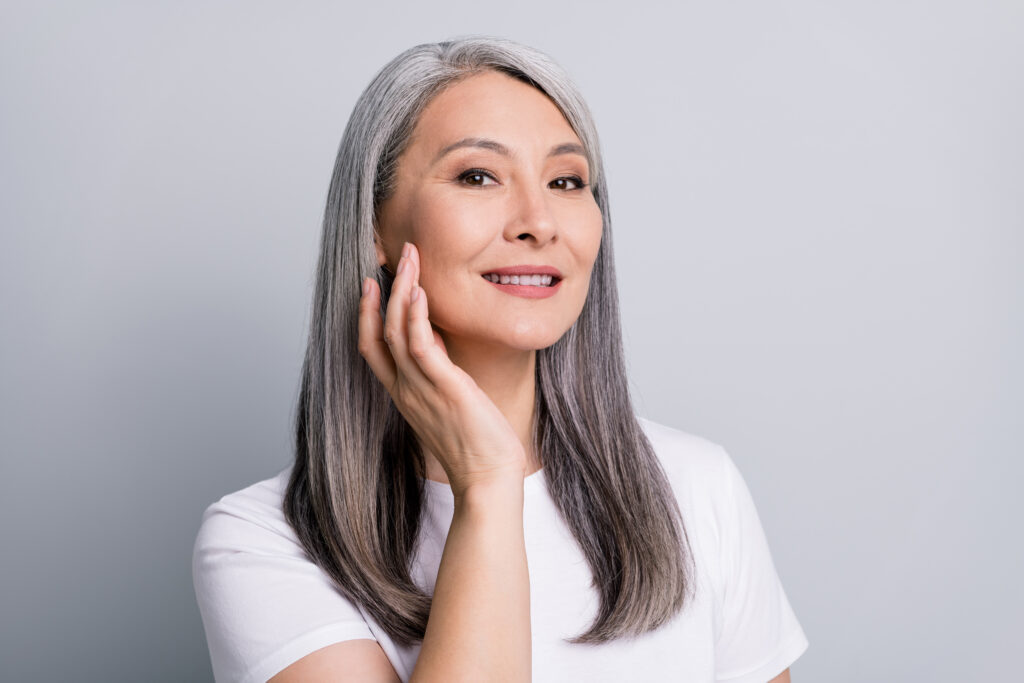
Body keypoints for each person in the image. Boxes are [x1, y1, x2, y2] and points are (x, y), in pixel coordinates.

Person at [192, 36, 809, 683]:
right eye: (478, 175)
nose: (539, 221)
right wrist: (487, 485)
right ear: (374, 224)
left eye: (567, 180)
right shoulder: (262, 541)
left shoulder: (696, 487)